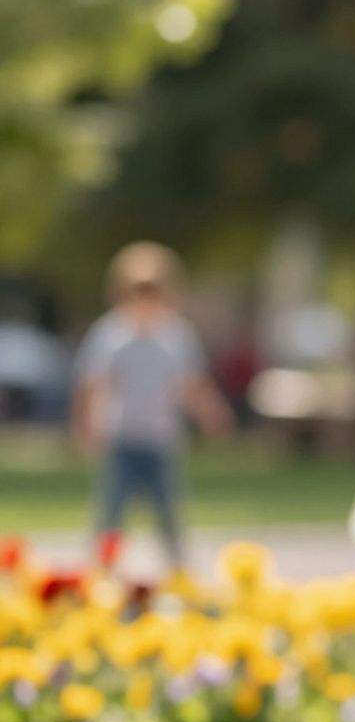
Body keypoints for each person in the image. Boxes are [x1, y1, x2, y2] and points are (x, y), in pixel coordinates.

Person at [72, 242, 234, 573]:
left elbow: (190, 385)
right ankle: (100, 573)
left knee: (168, 514)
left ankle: (179, 573)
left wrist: (211, 415)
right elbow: (91, 384)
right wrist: (85, 427)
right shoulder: (110, 334)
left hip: (160, 439)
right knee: (111, 514)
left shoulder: (176, 335)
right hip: (122, 438)